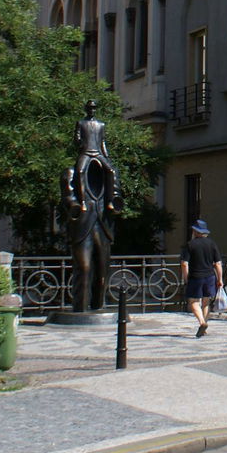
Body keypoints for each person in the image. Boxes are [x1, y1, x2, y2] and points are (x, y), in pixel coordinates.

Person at [63, 100, 124, 312]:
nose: (92, 111)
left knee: (103, 271)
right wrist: (75, 205)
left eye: (94, 108)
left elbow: (103, 144)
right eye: (89, 108)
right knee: (85, 267)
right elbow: (67, 197)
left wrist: (114, 201)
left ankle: (99, 306)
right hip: (83, 227)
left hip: (102, 226)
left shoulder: (100, 125)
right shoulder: (70, 173)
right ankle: (80, 308)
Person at [181, 219, 223, 337]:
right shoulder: (212, 244)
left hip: (196, 277)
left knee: (193, 302)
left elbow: (184, 263)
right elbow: (218, 263)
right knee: (206, 302)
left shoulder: (190, 245)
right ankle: (204, 328)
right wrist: (220, 279)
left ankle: (202, 323)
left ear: (195, 231)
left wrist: (186, 278)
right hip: (210, 277)